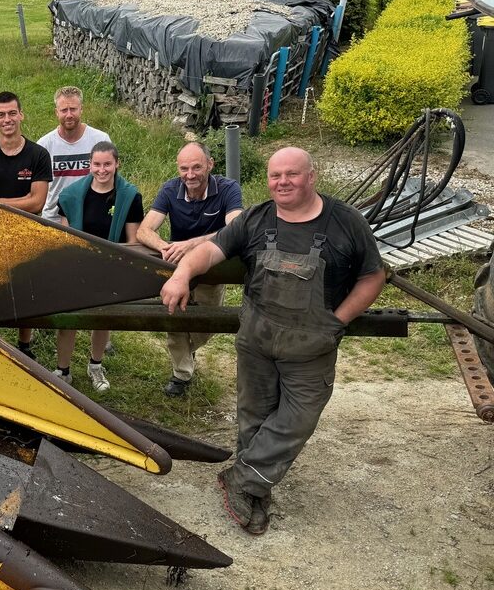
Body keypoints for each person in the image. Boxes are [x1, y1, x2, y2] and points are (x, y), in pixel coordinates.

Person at [161, 147, 385, 535]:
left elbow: (373, 277)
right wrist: (181, 275)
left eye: (291, 175)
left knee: (298, 419)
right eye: (275, 175)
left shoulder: (346, 222)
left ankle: (242, 481)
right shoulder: (255, 219)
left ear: (311, 177)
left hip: (311, 347)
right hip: (257, 342)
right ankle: (254, 491)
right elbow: (208, 252)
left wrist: (338, 320)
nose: (282, 182)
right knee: (254, 417)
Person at [137, 142, 244, 397]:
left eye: (197, 167)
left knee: (207, 323)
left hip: (213, 267)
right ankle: (181, 375)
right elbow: (144, 230)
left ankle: (189, 350)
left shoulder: (228, 189)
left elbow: (236, 229)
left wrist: (191, 245)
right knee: (174, 319)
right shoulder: (170, 189)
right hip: (177, 270)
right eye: (184, 168)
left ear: (210, 164)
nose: (190, 174)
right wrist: (165, 247)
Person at [53, 141, 144, 391]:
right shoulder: (70, 196)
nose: (101, 169)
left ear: (117, 164)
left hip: (111, 268)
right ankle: (63, 371)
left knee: (102, 319)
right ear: (89, 165)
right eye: (96, 164)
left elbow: (133, 242)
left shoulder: (130, 197)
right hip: (78, 267)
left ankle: (95, 365)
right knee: (68, 320)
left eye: (107, 164)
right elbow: (67, 236)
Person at [0, 90, 53, 359]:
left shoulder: (38, 155)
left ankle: (24, 345)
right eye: (1, 115)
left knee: (25, 290)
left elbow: (38, 202)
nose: (7, 119)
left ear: (21, 115)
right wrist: (18, 200)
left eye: (12, 113)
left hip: (26, 233)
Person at [37, 86, 111, 221]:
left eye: (73, 109)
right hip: (54, 220)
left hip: (92, 218)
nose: (69, 115)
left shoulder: (100, 140)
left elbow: (112, 181)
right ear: (56, 112)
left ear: (81, 109)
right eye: (64, 110)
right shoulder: (44, 145)